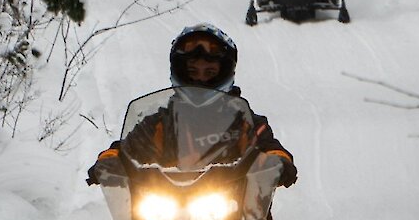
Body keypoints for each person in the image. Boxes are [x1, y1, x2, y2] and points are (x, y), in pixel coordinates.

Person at [84, 24, 295, 197]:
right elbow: (125, 149)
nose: (200, 79)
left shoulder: (245, 123)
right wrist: (109, 160)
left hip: (237, 215)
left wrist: (278, 161)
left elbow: (269, 146)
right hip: (161, 216)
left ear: (225, 72)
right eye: (192, 72)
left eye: (209, 72)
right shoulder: (158, 124)